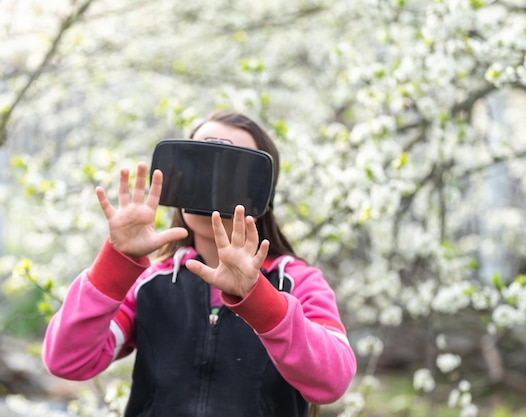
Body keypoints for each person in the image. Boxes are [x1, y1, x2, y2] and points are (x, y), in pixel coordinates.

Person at [42, 111, 357, 417]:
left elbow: (332, 382)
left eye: (233, 167)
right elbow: (67, 360)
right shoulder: (151, 284)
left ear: (261, 191)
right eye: (200, 161)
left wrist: (259, 298)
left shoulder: (296, 281)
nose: (213, 180)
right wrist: (117, 260)